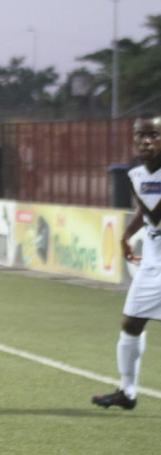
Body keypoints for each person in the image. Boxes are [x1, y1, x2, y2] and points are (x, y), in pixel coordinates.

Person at [92, 113, 161, 411]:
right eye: (140, 135)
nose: (146, 140)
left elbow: (155, 210)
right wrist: (127, 235)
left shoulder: (140, 176)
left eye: (154, 135)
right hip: (154, 254)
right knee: (131, 322)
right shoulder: (136, 175)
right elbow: (145, 212)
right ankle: (128, 391)